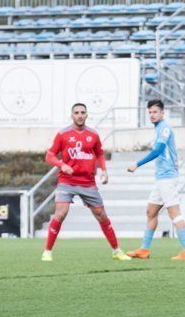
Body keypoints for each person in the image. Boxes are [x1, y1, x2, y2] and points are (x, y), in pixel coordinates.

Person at [42, 103, 130, 262]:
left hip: (88, 183)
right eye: (76, 113)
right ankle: (47, 252)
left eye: (83, 112)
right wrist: (62, 165)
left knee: (101, 215)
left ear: (87, 115)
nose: (80, 115)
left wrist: (104, 170)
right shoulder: (63, 134)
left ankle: (116, 250)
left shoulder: (93, 135)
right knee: (60, 213)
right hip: (66, 181)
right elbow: (49, 156)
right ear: (72, 115)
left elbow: (100, 154)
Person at [126, 100, 185, 261]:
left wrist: (137, 164)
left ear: (162, 113)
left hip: (167, 178)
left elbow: (157, 150)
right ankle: (144, 250)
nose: (152, 114)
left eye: (155, 112)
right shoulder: (159, 128)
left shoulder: (164, 128)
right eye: (149, 112)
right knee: (151, 212)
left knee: (174, 213)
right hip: (161, 178)